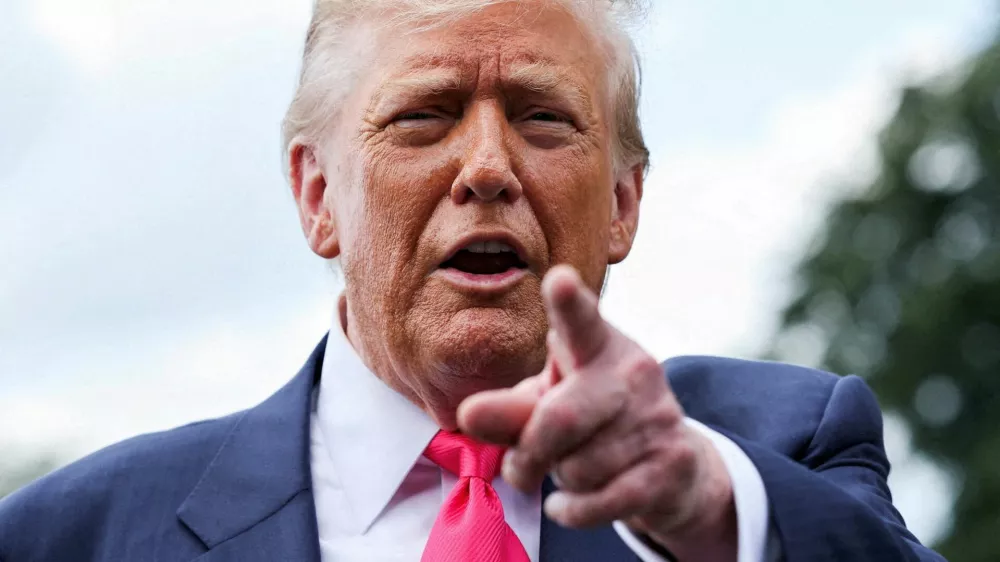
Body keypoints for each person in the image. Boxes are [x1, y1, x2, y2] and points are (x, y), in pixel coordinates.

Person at [0, 1, 945, 561]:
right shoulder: (68, 537)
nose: (487, 165)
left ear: (622, 203)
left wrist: (705, 512)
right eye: (424, 116)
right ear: (318, 194)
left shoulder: (782, 453)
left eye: (542, 118)